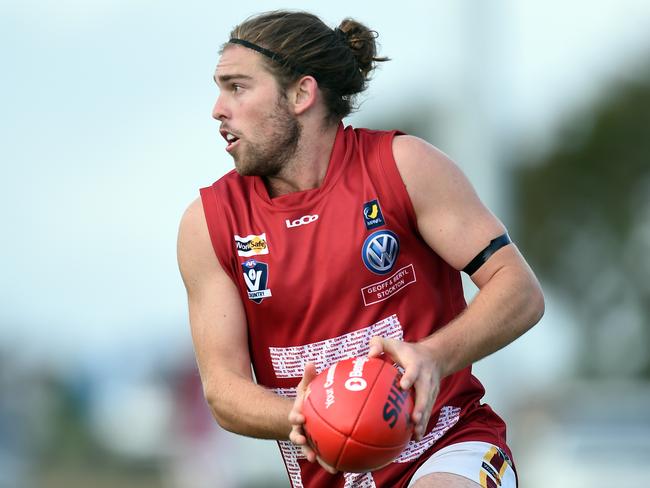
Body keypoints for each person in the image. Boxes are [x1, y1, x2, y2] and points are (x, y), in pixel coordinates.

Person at [177, 10, 544, 488]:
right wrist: (308, 411)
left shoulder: (403, 167)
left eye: (238, 87)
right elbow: (224, 391)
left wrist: (432, 356)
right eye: (219, 87)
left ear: (301, 94)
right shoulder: (208, 224)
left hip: (448, 448)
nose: (218, 109)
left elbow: (519, 290)